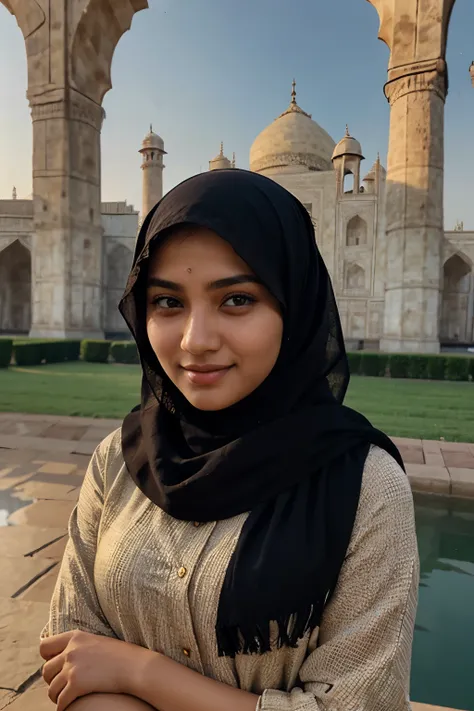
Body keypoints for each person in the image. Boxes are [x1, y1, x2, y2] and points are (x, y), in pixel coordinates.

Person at [40, 169, 419, 711]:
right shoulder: (119, 461)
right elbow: (69, 653)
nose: (196, 342)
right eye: (167, 302)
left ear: (295, 303)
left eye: (237, 299)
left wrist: (139, 671)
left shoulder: (364, 485)